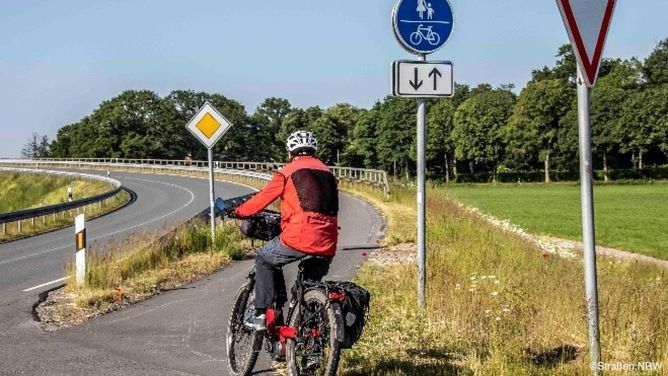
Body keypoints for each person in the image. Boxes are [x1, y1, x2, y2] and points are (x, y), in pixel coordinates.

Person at [234, 130, 339, 331]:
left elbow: (262, 199)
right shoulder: (329, 175)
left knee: (265, 259)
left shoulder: (288, 171)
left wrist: (239, 211)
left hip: (300, 236)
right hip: (328, 240)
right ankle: (309, 334)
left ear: (290, 152)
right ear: (314, 151)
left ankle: (261, 314)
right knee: (309, 285)